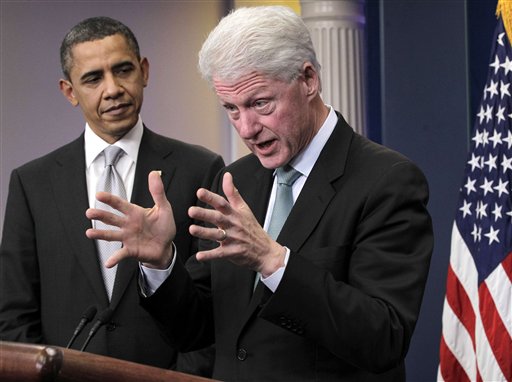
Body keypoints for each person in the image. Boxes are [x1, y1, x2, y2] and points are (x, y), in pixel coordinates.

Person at [85, 6, 434, 381]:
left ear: (309, 79)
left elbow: (383, 338)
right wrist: (161, 264)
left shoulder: (387, 180)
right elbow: (197, 333)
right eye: (232, 109)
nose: (247, 128)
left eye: (260, 103)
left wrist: (273, 260)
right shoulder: (233, 181)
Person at [0, 16, 223, 374]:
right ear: (69, 91)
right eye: (93, 78)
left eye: (123, 70)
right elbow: (14, 313)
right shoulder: (32, 183)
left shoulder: (201, 169)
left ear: (144, 71)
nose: (113, 89)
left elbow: (213, 309)